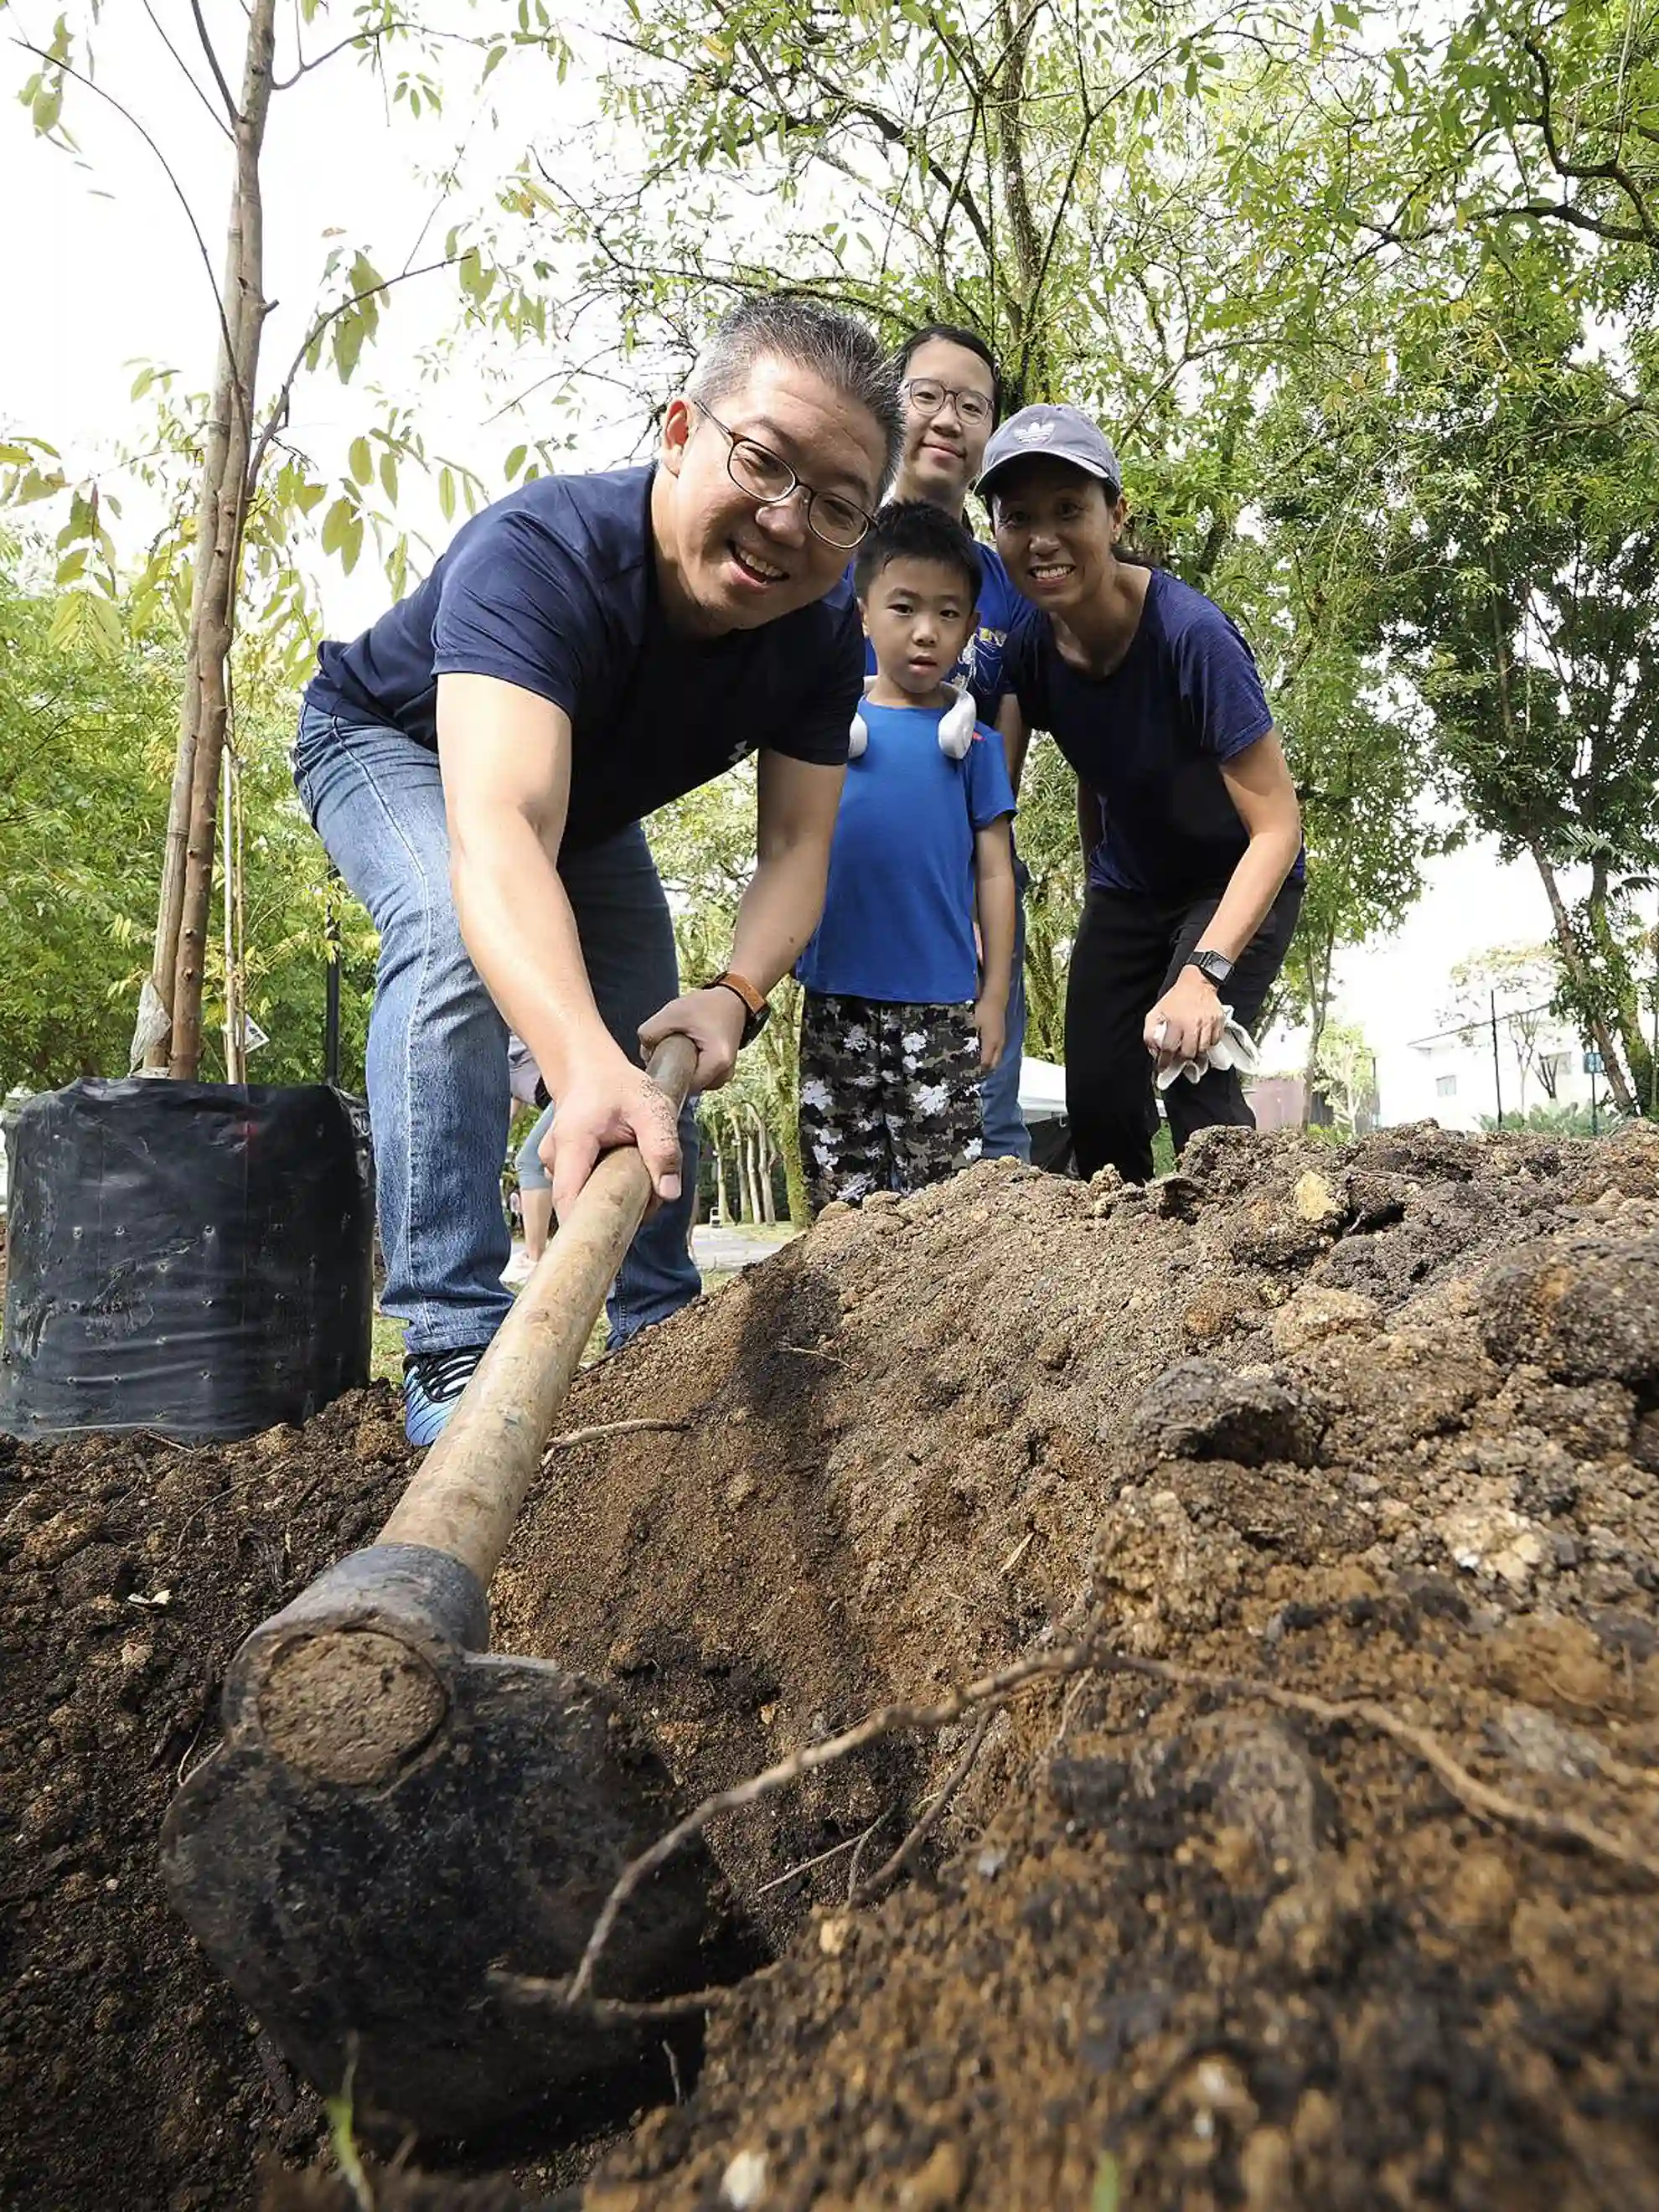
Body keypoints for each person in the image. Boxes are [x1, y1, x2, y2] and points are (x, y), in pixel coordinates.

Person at [293, 295, 901, 1441]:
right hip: (394, 747)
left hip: (582, 806)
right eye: (763, 463)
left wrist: (736, 995)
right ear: (679, 431)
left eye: (836, 508)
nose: (785, 523)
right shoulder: (544, 556)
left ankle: (656, 1324)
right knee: (447, 927)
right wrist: (578, 1066)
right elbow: (500, 826)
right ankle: (449, 1337)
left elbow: (797, 845)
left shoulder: (820, 638)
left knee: (649, 1034)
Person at [979, 403, 1305, 1184]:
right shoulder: (1031, 648)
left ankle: (1247, 1264)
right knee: (1099, 1103)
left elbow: (1278, 828)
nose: (1043, 538)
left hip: (1236, 880)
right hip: (1130, 889)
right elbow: (1004, 797)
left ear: (1116, 514)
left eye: (1069, 510)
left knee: (1193, 1067)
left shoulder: (1192, 638)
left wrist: (1203, 972)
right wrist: (1098, 881)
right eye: (1017, 517)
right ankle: (1128, 1290)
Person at [796, 501, 1016, 1207]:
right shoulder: (826, 737)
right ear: (864, 614)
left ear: (971, 628)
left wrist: (994, 996)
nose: (926, 632)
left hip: (943, 1007)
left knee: (946, 1206)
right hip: (836, 1000)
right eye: (904, 607)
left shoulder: (974, 747)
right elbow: (790, 852)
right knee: (840, 1199)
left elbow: (994, 871)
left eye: (949, 614)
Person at [885, 323, 1032, 1161]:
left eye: (971, 406)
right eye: (928, 396)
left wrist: (990, 862)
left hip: (976, 869)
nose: (948, 419)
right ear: (890, 407)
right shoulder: (833, 556)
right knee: (871, 1111)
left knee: (989, 1112)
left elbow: (1011, 720)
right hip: (855, 867)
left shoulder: (1008, 581)